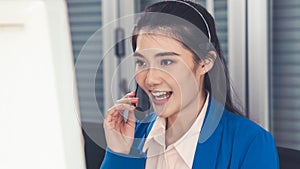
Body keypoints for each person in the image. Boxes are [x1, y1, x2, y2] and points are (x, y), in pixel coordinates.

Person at [100, 0, 279, 168]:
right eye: (142, 62)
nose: (151, 79)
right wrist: (119, 154)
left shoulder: (250, 143)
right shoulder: (132, 136)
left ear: (204, 63)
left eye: (166, 62)